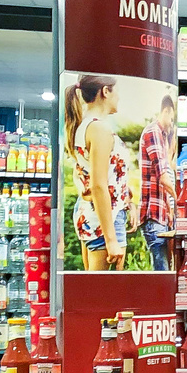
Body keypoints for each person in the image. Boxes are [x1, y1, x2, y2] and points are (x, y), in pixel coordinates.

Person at [65, 74, 132, 272]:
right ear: (105, 91)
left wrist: (128, 199)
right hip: (105, 219)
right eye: (117, 91)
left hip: (93, 215)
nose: (119, 97)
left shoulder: (83, 125)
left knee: (96, 291)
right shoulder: (99, 129)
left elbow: (83, 174)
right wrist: (111, 239)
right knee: (104, 295)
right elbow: (98, 184)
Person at [138, 95, 178, 271]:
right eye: (172, 119)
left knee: (165, 270)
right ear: (166, 110)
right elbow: (162, 176)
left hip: (160, 216)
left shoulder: (161, 136)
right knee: (161, 270)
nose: (171, 124)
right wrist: (180, 200)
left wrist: (170, 211)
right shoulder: (153, 132)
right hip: (153, 216)